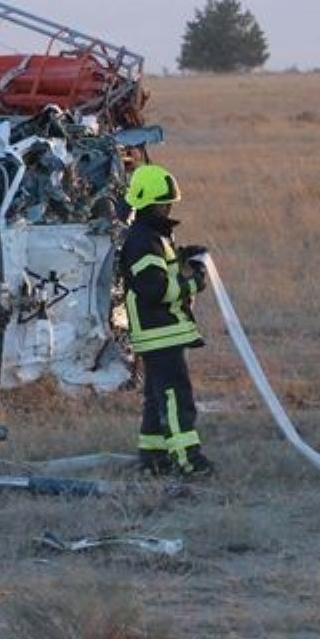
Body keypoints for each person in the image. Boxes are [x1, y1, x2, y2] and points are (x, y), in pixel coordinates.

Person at [120, 163, 214, 476]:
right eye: (166, 202)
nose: (169, 207)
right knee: (176, 397)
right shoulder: (143, 240)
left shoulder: (152, 237)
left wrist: (184, 257)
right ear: (153, 203)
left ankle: (153, 458)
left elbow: (161, 271)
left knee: (156, 397)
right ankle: (187, 460)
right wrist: (193, 282)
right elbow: (154, 289)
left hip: (160, 333)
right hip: (160, 333)